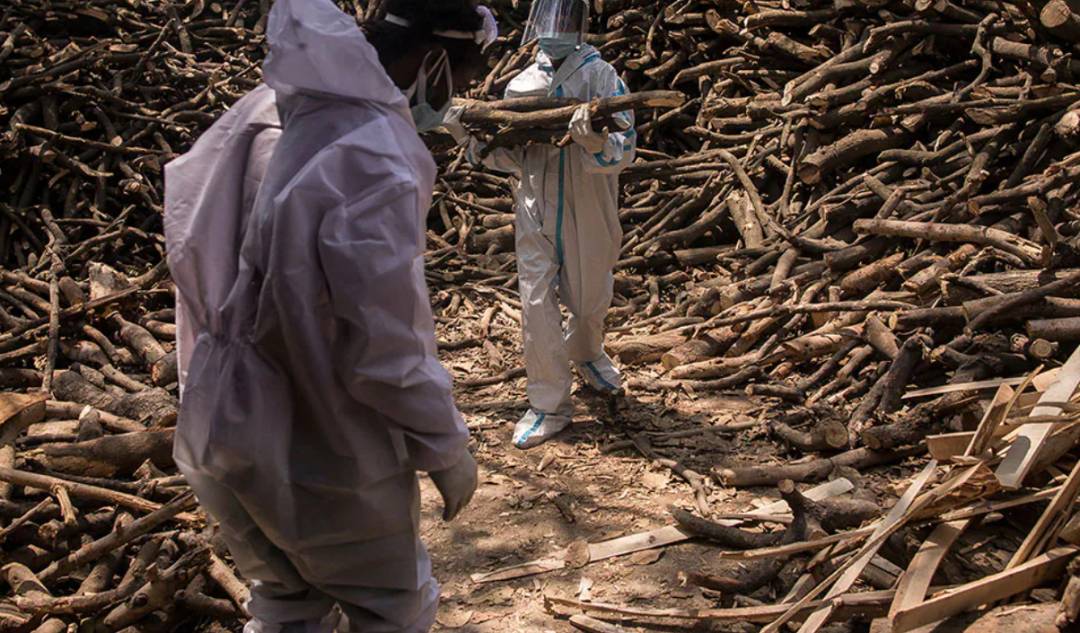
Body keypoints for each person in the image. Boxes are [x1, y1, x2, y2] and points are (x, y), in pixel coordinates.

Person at [163, 1, 496, 631]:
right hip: (323, 443)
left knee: (285, 604)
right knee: (389, 608)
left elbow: (190, 245)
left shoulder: (259, 110)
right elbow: (385, 340)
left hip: (214, 415)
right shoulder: (376, 153)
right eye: (465, 76)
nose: (459, 96)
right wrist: (444, 443)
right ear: (431, 60)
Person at [444, 0, 636, 449]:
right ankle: (549, 404)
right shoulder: (522, 84)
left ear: (580, 25)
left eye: (564, 20)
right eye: (548, 20)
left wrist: (594, 139)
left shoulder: (601, 77)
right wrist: (468, 134)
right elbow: (509, 156)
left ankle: (587, 353)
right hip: (533, 203)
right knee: (535, 302)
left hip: (588, 205)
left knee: (590, 299)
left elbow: (624, 150)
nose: (553, 30)